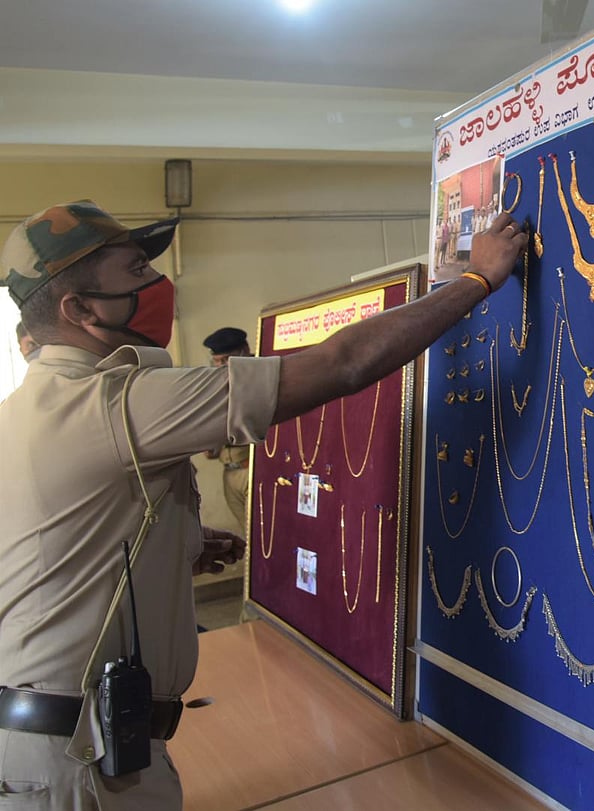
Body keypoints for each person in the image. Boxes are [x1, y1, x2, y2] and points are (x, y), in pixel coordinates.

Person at [0, 198, 525, 809]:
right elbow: (344, 362)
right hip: (83, 765)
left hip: (53, 745)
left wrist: (179, 547)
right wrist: (477, 278)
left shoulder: (23, 413)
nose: (158, 285)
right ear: (80, 309)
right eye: (137, 274)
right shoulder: (114, 402)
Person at [202, 326, 252, 532]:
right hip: (229, 473)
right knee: (249, 535)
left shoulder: (258, 382)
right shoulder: (218, 388)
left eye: (227, 360)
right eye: (218, 361)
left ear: (245, 352)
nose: (222, 366)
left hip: (251, 469)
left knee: (265, 533)